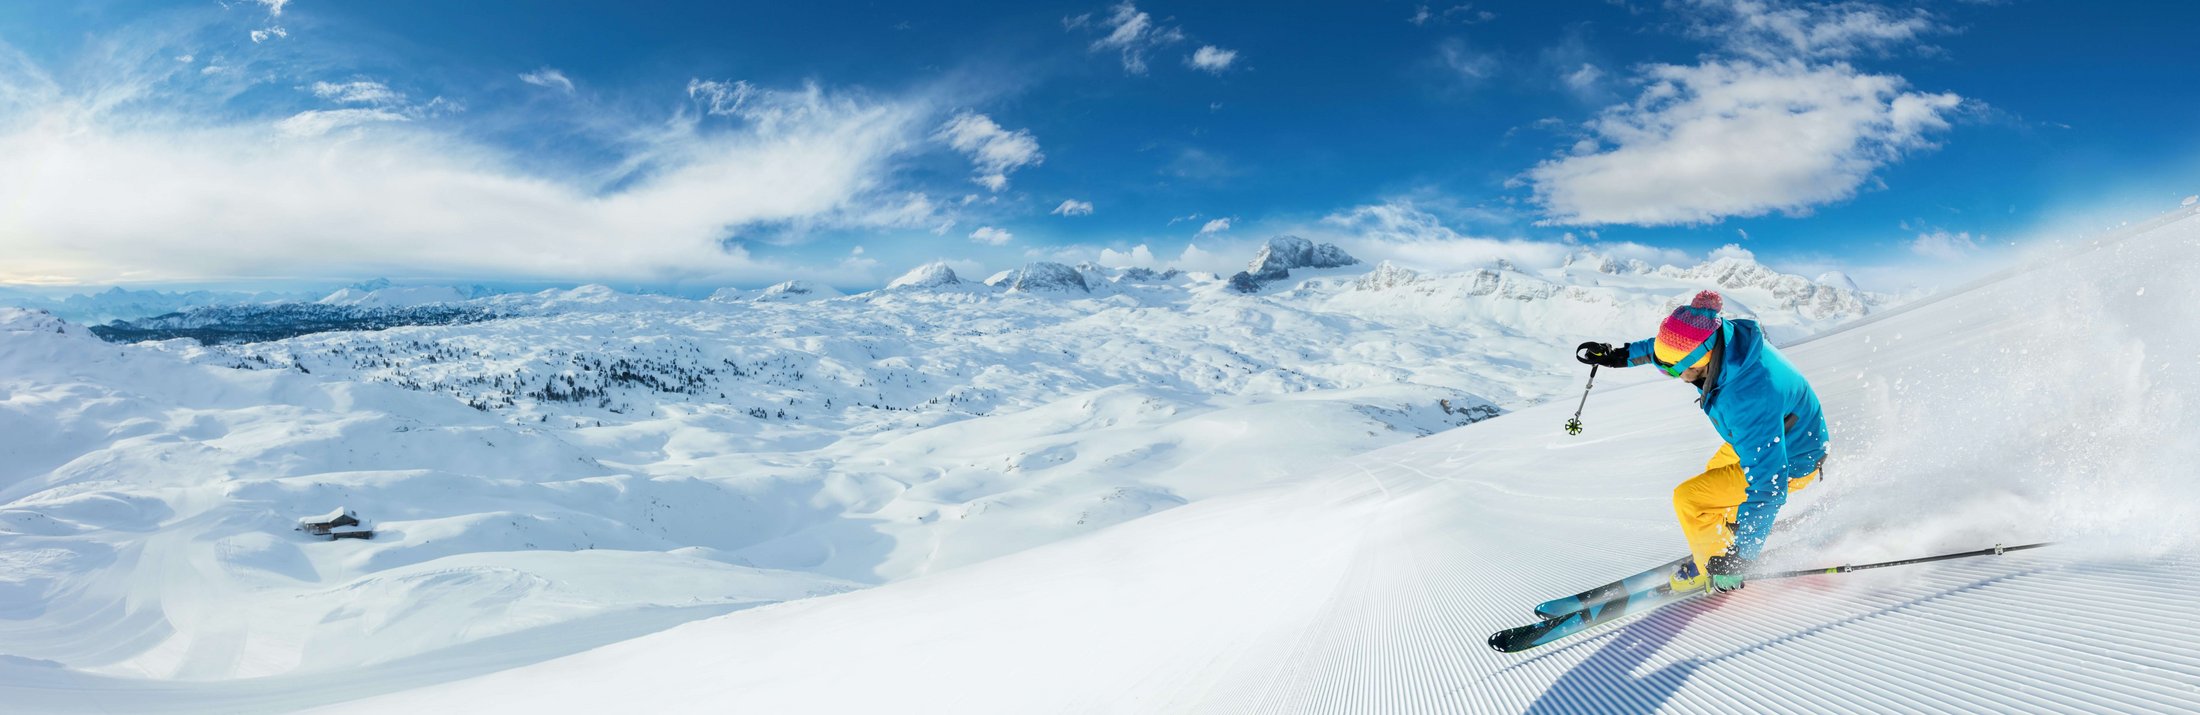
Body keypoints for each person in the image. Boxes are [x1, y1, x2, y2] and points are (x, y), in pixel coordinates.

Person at [1575, 290, 1829, 593]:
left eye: (1677, 369)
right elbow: (1663, 351)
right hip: (1773, 436)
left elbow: (1768, 485)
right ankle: (1728, 532)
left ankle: (1714, 564)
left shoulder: (1748, 397)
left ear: (1703, 356)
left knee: (1691, 499)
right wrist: (1618, 356)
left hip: (1793, 457)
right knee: (1713, 477)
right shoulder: (1722, 338)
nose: (1671, 374)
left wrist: (1740, 560)